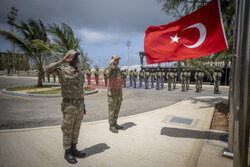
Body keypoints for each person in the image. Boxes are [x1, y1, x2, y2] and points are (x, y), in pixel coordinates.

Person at [45, 50, 86, 164]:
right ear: (69, 58)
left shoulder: (80, 73)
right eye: (74, 56)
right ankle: (67, 151)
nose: (76, 58)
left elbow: (80, 90)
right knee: (68, 129)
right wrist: (62, 61)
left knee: (76, 128)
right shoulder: (62, 71)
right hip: (69, 105)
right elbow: (47, 69)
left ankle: (73, 148)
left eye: (77, 56)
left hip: (79, 105)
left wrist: (84, 105)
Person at [106, 55, 124, 133]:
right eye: (116, 60)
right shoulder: (110, 69)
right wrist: (110, 65)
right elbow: (107, 74)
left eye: (118, 60)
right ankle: (111, 125)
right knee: (111, 110)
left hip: (119, 93)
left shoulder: (118, 69)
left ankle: (115, 123)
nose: (118, 61)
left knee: (117, 109)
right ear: (112, 60)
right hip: (112, 93)